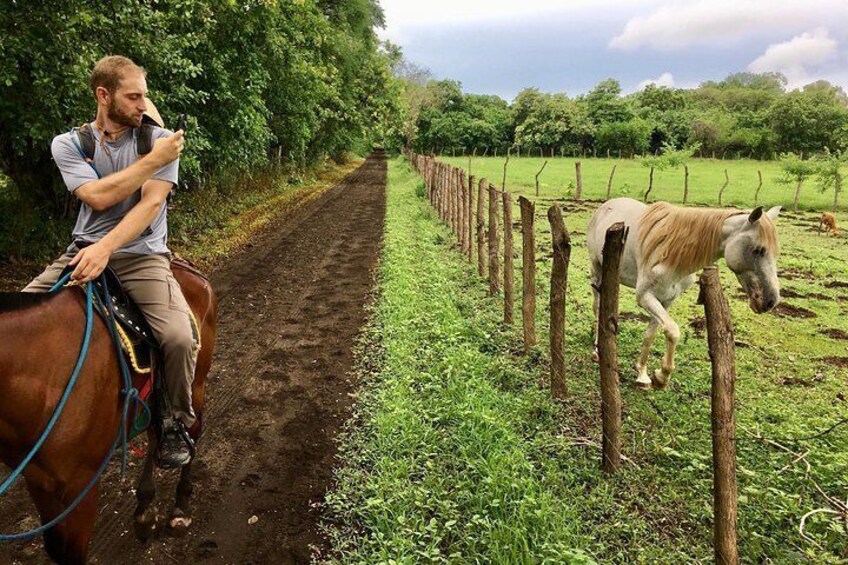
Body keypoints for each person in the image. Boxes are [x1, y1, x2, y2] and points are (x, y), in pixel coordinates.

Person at [23, 55, 197, 468]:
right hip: (83, 248)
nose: (144, 105)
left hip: (142, 256)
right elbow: (98, 197)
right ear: (104, 96)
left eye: (145, 96)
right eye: (134, 96)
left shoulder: (157, 139)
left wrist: (107, 248)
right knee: (17, 320)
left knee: (178, 337)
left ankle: (175, 420)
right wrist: (155, 161)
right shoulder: (69, 144)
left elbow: (150, 205)